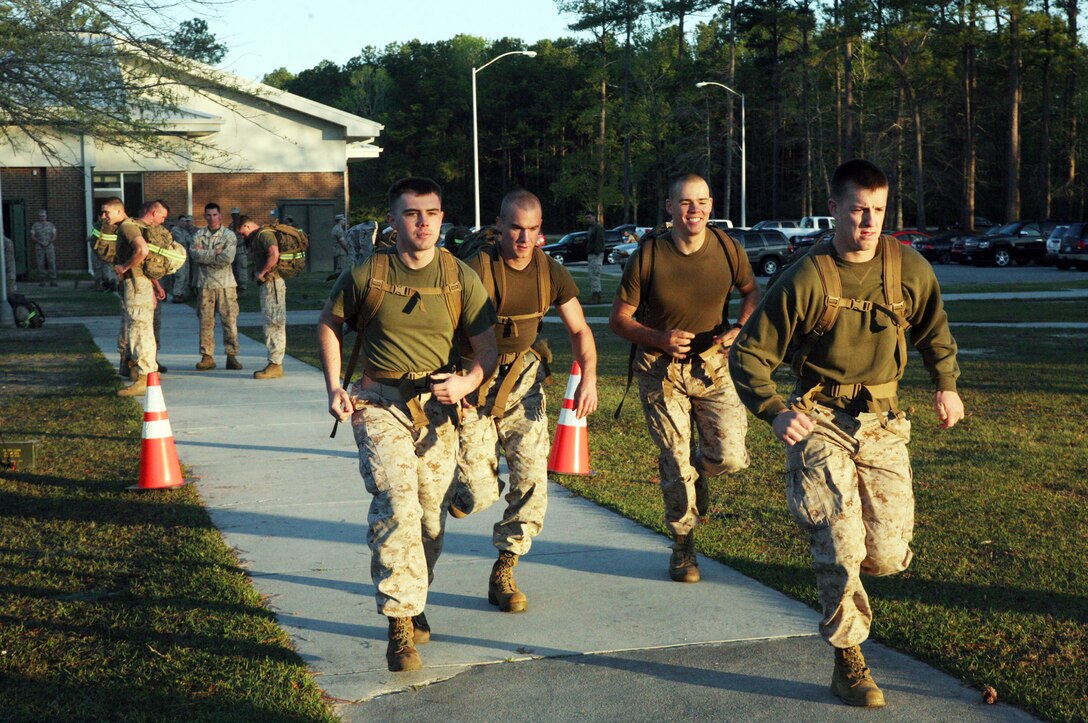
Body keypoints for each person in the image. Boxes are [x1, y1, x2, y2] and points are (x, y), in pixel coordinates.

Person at [729, 159, 965, 708]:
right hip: (819, 421)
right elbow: (749, 356)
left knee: (884, 555)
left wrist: (946, 384)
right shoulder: (808, 277)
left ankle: (856, 584)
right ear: (833, 208)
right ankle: (849, 659)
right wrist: (774, 412)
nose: (868, 222)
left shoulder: (910, 269)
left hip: (883, 424)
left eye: (878, 211)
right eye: (858, 210)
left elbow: (935, 330)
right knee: (840, 544)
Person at [317, 177, 497, 673]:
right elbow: (330, 324)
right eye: (413, 213)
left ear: (443, 218)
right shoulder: (368, 274)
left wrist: (466, 383)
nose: (423, 223)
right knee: (396, 504)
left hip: (437, 410)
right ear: (393, 221)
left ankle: (414, 599)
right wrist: (335, 386)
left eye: (432, 213)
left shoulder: (461, 278)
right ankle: (399, 623)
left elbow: (486, 350)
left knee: (431, 522)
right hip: (378, 403)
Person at [449, 190, 598, 613]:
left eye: (532, 230)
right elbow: (441, 327)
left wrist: (588, 378)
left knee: (532, 481)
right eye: (515, 227)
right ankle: (465, 495)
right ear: (499, 226)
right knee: (477, 494)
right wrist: (453, 386)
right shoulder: (476, 268)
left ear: (541, 232)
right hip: (472, 380)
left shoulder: (550, 271)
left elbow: (580, 330)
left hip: (522, 382)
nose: (523, 238)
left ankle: (505, 569)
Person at [609, 172, 761, 584]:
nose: (696, 211)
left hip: (713, 368)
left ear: (711, 206)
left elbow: (751, 292)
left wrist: (740, 329)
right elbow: (619, 319)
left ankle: (701, 467)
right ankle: (683, 546)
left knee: (729, 456)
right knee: (675, 463)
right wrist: (658, 336)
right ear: (670, 208)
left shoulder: (728, 248)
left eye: (703, 202)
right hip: (660, 372)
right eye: (686, 203)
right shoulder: (649, 255)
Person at [113, 199, 169, 396]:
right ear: (153, 213)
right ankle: (148, 374)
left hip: (136, 285)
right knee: (144, 329)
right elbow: (146, 263)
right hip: (143, 285)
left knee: (139, 330)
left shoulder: (130, 227)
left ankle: (145, 378)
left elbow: (142, 252)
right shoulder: (143, 229)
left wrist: (124, 267)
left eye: (106, 213)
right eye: (162, 216)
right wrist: (155, 286)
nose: (105, 216)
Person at [190, 202, 242, 371]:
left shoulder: (229, 235)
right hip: (205, 284)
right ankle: (207, 356)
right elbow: (194, 254)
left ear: (220, 216)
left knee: (229, 320)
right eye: (209, 215)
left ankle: (232, 355)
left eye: (215, 215)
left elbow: (228, 258)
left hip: (226, 284)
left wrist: (206, 253)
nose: (212, 218)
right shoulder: (199, 234)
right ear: (205, 216)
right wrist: (215, 253)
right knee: (205, 321)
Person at [237, 216, 286, 379]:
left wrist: (262, 272)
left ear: (247, 225)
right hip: (269, 284)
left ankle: (275, 364)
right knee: (270, 322)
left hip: (273, 283)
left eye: (242, 233)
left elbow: (274, 254)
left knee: (274, 323)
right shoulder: (259, 236)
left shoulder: (264, 235)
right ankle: (274, 362)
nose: (243, 237)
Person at [169, 214, 196, 302]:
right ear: (178, 222)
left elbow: (192, 242)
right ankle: (176, 294)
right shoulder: (175, 230)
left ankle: (182, 294)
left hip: (186, 257)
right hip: (178, 257)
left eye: (185, 221)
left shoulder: (185, 231)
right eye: (182, 221)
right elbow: (182, 241)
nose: (184, 223)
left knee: (186, 277)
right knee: (180, 276)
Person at [31, 209, 58, 286]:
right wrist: (40, 242)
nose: (42, 217)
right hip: (39, 247)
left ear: (46, 216)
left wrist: (49, 242)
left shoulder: (51, 225)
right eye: (40, 216)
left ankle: (53, 280)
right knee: (40, 264)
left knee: (51, 262)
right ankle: (42, 280)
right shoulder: (35, 225)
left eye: (43, 216)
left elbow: (54, 235)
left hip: (49, 247)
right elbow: (32, 236)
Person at [584, 211, 605, 305]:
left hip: (596, 255)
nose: (588, 219)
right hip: (592, 254)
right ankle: (596, 295)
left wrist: (596, 252)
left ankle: (596, 296)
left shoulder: (598, 228)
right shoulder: (591, 228)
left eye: (589, 217)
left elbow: (599, 241)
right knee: (592, 276)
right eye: (586, 218)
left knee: (595, 275)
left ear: (594, 217)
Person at [230, 207, 248, 296]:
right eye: (233, 215)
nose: (235, 216)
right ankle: (235, 287)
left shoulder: (243, 226)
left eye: (236, 215)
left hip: (241, 250)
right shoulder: (230, 226)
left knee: (242, 269)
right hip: (232, 251)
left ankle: (242, 288)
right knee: (233, 270)